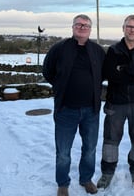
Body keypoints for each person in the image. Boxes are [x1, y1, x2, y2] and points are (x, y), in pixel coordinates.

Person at [42, 14, 105, 196]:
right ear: (73, 27)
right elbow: (47, 70)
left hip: (91, 110)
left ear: (90, 29)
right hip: (65, 109)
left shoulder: (97, 50)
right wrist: (61, 86)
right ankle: (63, 183)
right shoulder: (59, 48)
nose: (82, 27)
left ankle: (86, 179)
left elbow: (104, 73)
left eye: (86, 25)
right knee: (63, 152)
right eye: (79, 24)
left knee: (90, 149)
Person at [97, 14, 134, 190]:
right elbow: (109, 73)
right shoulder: (114, 50)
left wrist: (123, 69)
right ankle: (107, 173)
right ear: (123, 28)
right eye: (129, 26)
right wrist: (132, 77)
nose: (132, 30)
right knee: (110, 140)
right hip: (116, 102)